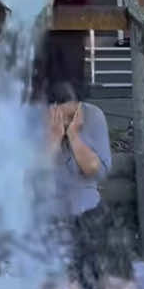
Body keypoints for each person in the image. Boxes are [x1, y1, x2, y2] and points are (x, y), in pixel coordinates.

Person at [46, 82, 112, 220]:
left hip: (87, 211)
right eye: (61, 116)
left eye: (71, 116)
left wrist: (74, 136)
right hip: (49, 212)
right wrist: (54, 140)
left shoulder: (93, 116)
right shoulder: (36, 119)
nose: (65, 122)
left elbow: (97, 171)